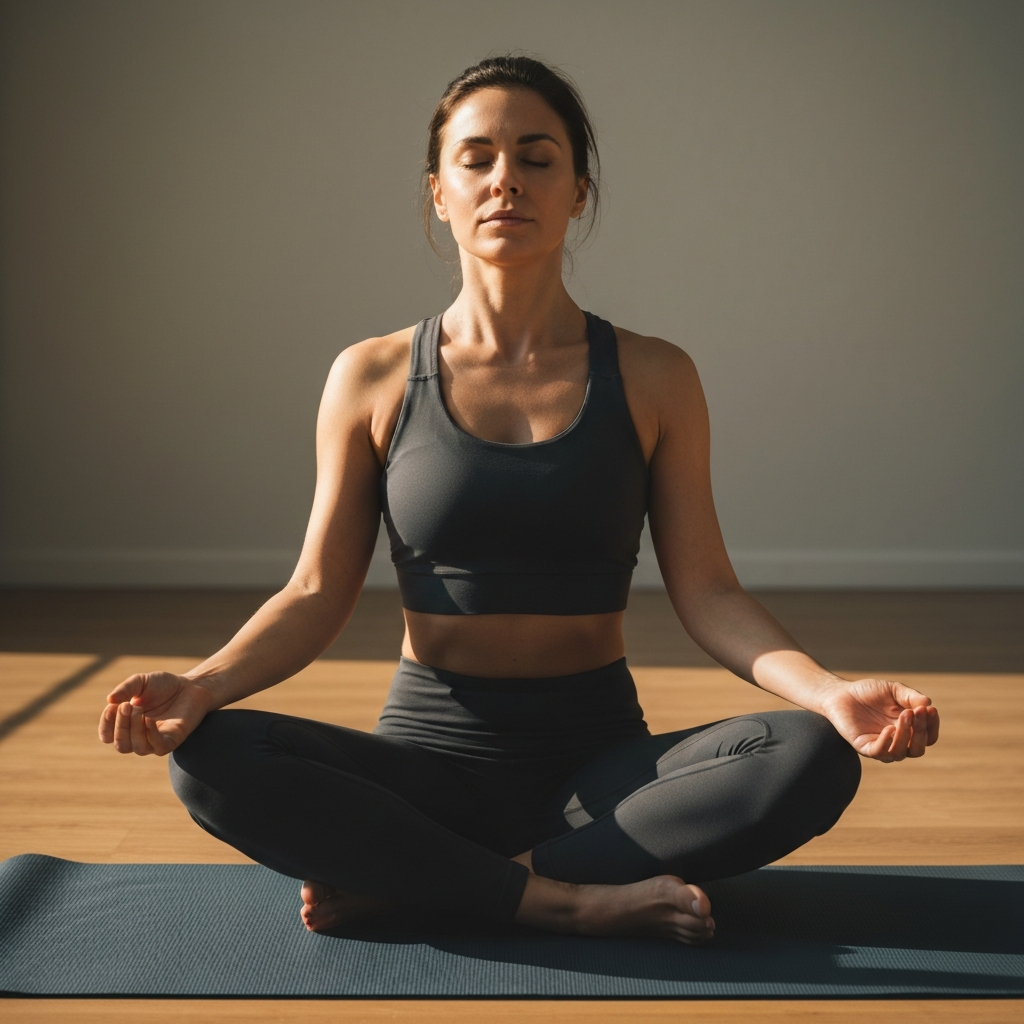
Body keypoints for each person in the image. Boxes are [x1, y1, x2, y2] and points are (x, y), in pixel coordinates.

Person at [98, 56, 939, 945]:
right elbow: (314, 594)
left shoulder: (655, 376)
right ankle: (569, 899)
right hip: (427, 771)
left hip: (604, 775)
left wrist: (829, 692)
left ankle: (440, 885)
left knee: (809, 755)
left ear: (579, 190)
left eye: (538, 158)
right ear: (438, 191)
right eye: (477, 158)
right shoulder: (373, 376)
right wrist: (200, 684)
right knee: (214, 758)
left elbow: (710, 593)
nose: (507, 180)